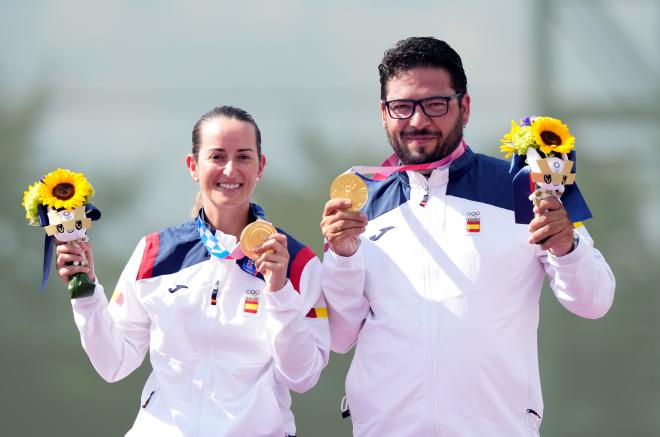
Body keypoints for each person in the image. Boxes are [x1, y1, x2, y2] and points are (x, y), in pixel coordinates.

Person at [320, 37, 615, 437]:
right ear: (384, 113)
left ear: (465, 107)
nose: (418, 121)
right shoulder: (360, 203)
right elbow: (339, 336)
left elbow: (594, 300)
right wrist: (341, 258)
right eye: (402, 107)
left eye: (435, 105)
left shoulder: (523, 187)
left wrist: (568, 248)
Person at [56, 106, 329, 437]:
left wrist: (279, 291)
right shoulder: (155, 253)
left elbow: (302, 377)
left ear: (261, 166)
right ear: (193, 166)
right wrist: (84, 295)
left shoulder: (296, 263)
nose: (230, 169)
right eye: (217, 156)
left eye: (243, 157)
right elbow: (114, 363)